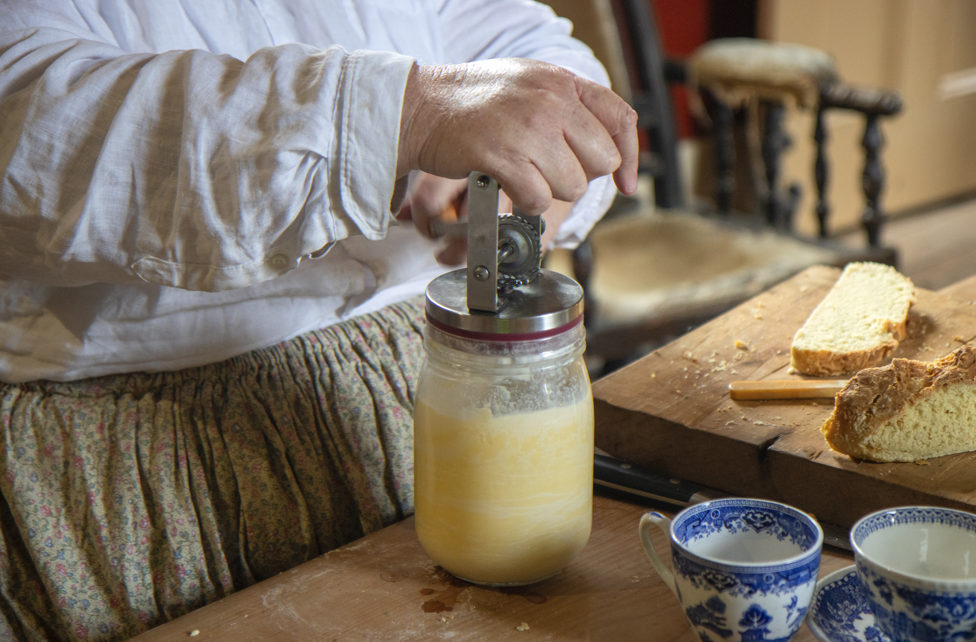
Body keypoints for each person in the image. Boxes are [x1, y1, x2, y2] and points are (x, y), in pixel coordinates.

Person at [0, 0, 637, 639]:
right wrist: (405, 114)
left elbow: (521, 43)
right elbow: (27, 130)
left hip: (409, 370)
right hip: (136, 454)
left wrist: (536, 161)